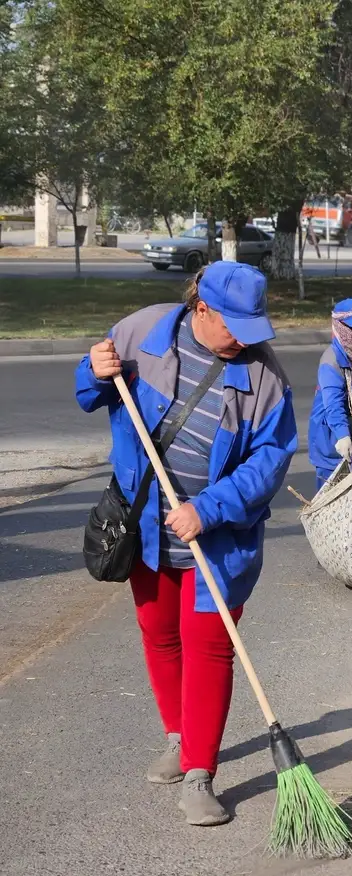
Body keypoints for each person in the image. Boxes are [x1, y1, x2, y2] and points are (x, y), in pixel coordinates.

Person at [75, 261, 297, 827]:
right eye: (236, 327)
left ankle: (201, 771)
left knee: (210, 646)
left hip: (218, 539)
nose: (247, 341)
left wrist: (209, 508)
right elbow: (88, 392)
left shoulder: (266, 380)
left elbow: (270, 462)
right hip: (144, 527)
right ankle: (178, 736)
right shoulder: (141, 333)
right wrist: (95, 371)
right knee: (159, 632)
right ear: (203, 309)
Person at [308, 298, 352, 491]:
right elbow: (333, 405)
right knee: (330, 498)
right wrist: (342, 435)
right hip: (332, 440)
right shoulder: (331, 361)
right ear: (339, 327)